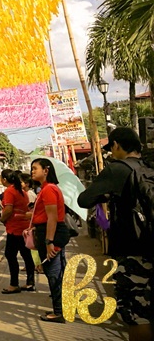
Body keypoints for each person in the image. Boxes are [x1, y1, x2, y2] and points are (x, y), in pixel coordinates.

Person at [78, 128, 152, 341]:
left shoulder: (117, 170)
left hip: (133, 253)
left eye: (111, 147)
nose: (111, 152)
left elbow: (84, 200)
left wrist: (107, 193)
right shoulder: (148, 167)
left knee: (135, 314)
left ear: (117, 145)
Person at [30, 157, 70, 324]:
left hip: (51, 233)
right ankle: (61, 308)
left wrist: (48, 242)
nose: (32, 171)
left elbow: (52, 217)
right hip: (48, 232)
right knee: (57, 272)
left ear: (46, 170)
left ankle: (59, 312)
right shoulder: (46, 189)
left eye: (35, 168)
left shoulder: (48, 190)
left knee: (53, 273)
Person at [0, 170, 35, 294]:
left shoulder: (9, 191)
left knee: (10, 255)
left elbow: (8, 209)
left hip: (14, 228)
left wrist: (2, 219)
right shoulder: (22, 192)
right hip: (23, 227)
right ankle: (30, 282)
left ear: (4, 179)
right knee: (26, 255)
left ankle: (14, 284)